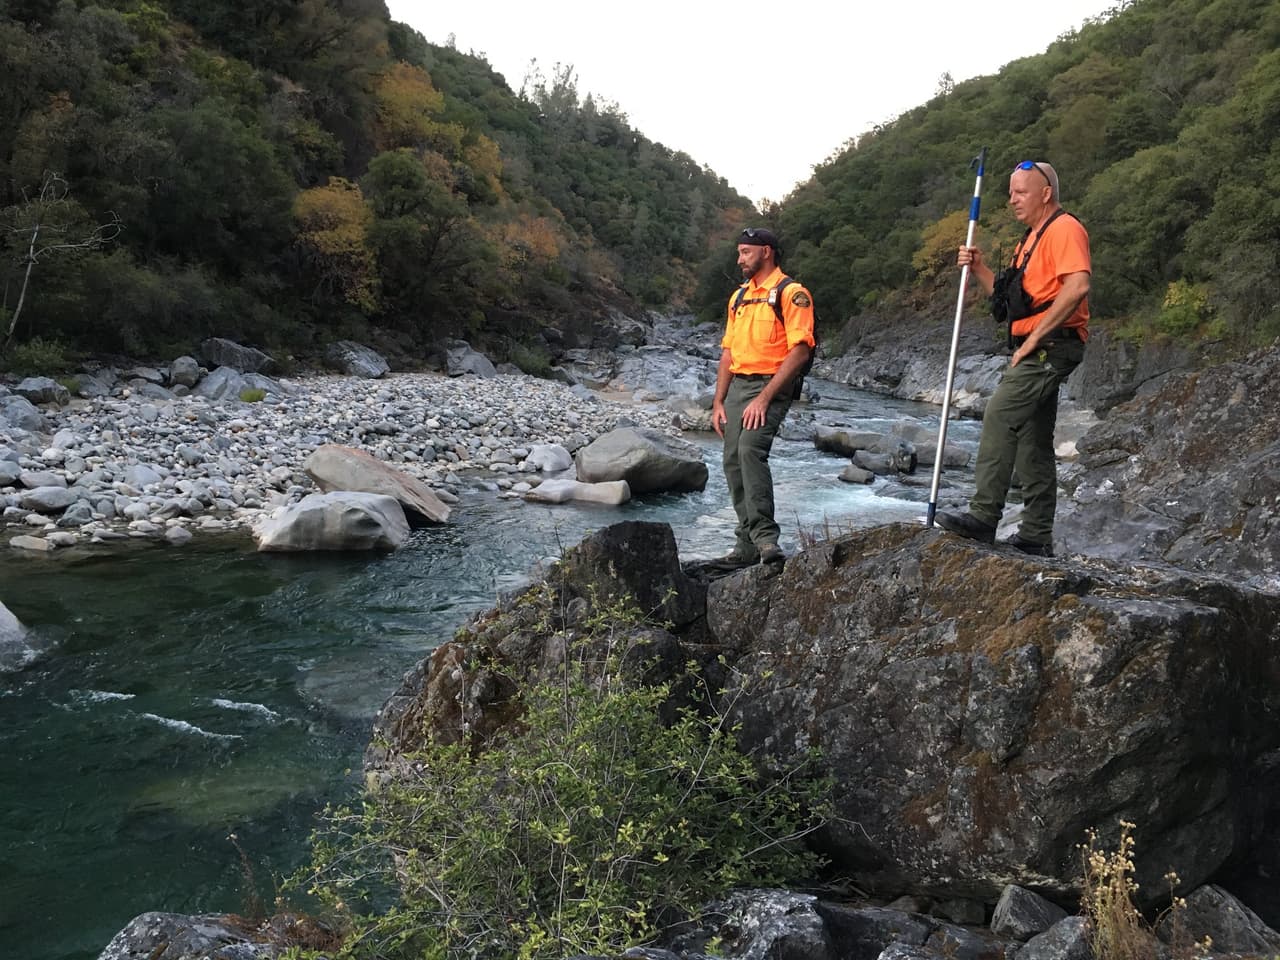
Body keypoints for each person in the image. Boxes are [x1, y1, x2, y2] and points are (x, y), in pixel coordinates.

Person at [937, 160, 1090, 558]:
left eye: (1020, 192)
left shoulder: (1064, 229)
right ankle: (1036, 535)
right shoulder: (1030, 239)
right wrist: (980, 267)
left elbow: (1078, 286)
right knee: (1033, 442)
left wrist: (1033, 340)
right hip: (1039, 343)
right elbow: (1008, 303)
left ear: (1045, 193)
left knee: (1000, 415)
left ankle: (984, 517)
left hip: (1051, 345)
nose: (1012, 200)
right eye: (1010, 192)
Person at [710, 227, 816, 569]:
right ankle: (746, 544)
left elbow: (799, 351)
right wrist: (718, 402)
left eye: (745, 252)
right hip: (739, 386)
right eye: (739, 252)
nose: (740, 259)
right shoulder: (739, 297)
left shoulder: (792, 293)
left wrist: (765, 398)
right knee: (731, 460)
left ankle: (766, 540)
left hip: (772, 384)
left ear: (766, 252)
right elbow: (728, 353)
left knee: (750, 450)